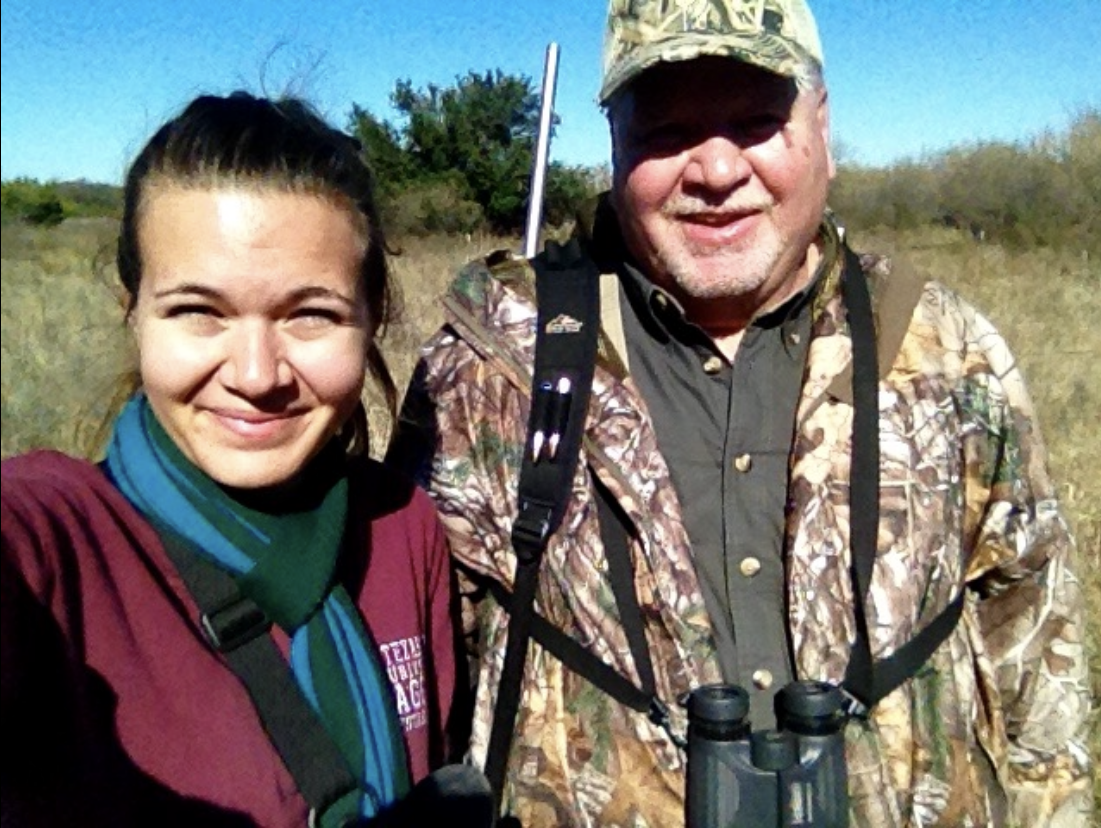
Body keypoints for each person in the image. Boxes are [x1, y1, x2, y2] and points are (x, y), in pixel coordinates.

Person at [387, 1, 1093, 826]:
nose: (715, 171)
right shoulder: (487, 365)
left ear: (819, 126)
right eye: (665, 130)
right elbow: (414, 688)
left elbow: (1040, 679)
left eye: (756, 122)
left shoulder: (945, 348)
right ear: (612, 141)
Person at [1, 92, 484, 827]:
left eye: (311, 314)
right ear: (131, 307)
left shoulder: (398, 526)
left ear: (371, 316)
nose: (257, 375)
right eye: (199, 311)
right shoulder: (59, 542)